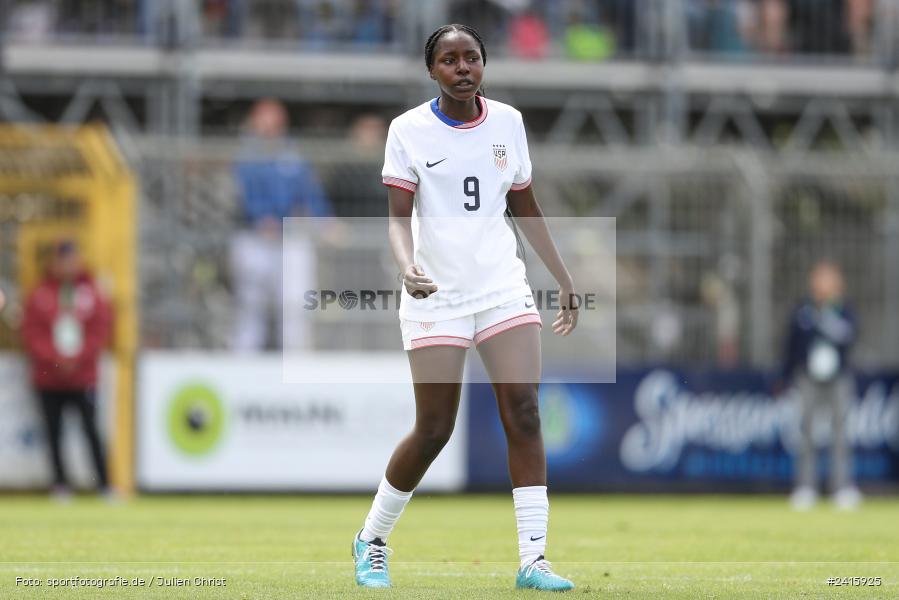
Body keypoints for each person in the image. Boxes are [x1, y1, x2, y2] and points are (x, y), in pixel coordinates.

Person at [351, 24, 578, 592]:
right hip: (437, 295)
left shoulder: (508, 123)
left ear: (484, 64)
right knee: (434, 428)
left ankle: (534, 561)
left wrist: (564, 276)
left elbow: (525, 206)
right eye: (449, 59)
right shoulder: (408, 130)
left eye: (472, 57)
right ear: (432, 70)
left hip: (502, 285)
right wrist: (407, 266)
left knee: (524, 411)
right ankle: (371, 539)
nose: (463, 67)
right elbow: (398, 218)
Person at [230, 98, 332, 351]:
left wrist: (322, 218)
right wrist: (261, 216)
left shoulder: (293, 154)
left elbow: (309, 193)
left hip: (291, 238)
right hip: (255, 239)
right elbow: (246, 194)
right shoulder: (246, 155)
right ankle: (243, 368)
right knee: (251, 310)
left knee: (294, 307)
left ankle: (296, 370)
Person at [21, 240, 112, 499]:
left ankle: (103, 484)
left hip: (83, 376)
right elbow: (32, 333)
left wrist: (78, 358)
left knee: (91, 431)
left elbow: (100, 329)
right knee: (53, 432)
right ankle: (60, 484)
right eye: (63, 260)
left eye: (72, 259)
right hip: (49, 378)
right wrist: (56, 359)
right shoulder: (40, 293)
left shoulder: (92, 291)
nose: (68, 266)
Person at [780, 260, 860, 511]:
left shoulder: (843, 310)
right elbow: (790, 344)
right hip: (807, 377)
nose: (823, 284)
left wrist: (826, 318)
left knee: (840, 433)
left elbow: (850, 337)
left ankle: (842, 487)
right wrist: (785, 375)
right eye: (819, 278)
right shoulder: (803, 309)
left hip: (837, 377)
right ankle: (806, 487)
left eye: (828, 279)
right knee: (806, 433)